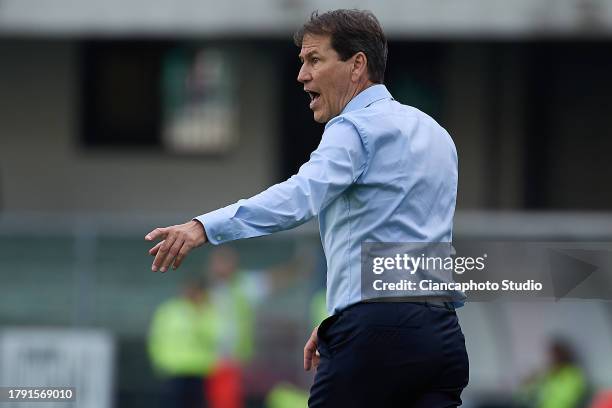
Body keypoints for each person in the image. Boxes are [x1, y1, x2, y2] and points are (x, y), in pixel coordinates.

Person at [146, 9, 469, 407]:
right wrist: (342, 316)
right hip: (440, 333)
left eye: (314, 59)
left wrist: (204, 226)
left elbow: (299, 196)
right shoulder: (435, 133)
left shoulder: (354, 128)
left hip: (373, 330)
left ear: (357, 66)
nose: (302, 74)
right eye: (302, 62)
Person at [148, 280, 218, 408]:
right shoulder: (169, 310)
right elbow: (157, 337)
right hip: (173, 368)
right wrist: (159, 361)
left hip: (199, 369)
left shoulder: (207, 311)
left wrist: (198, 313)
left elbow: (213, 336)